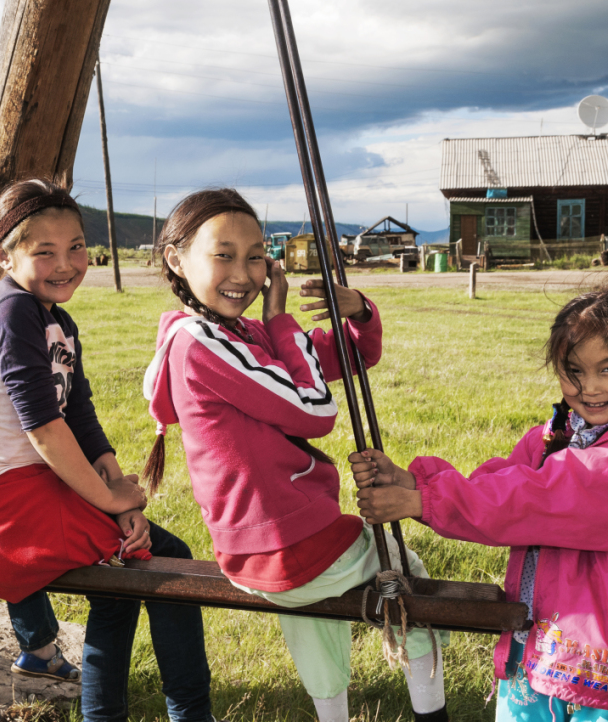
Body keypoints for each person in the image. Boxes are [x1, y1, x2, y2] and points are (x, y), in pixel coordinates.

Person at [142, 188, 449, 722]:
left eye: (256, 255)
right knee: (408, 577)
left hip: (260, 548)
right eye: (224, 254)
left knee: (310, 611)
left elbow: (345, 357)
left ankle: (331, 714)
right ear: (177, 258)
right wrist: (282, 317)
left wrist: (359, 314)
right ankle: (432, 713)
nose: (244, 273)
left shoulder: (234, 335)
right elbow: (315, 408)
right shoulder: (202, 342)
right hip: (288, 541)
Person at [0, 177, 219, 722]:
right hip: (7, 507)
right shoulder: (13, 310)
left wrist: (119, 492)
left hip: (39, 488)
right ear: (4, 254)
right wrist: (110, 503)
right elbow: (43, 428)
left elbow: (80, 417)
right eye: (45, 252)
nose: (66, 263)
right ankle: (188, 713)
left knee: (124, 579)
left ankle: (108, 714)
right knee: (169, 561)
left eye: (77, 247)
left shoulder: (56, 318)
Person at [350, 287, 608, 722]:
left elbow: (533, 499)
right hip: (537, 639)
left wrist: (422, 501)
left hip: (604, 660)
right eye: (573, 370)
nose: (589, 388)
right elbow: (499, 482)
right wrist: (414, 481)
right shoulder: (558, 433)